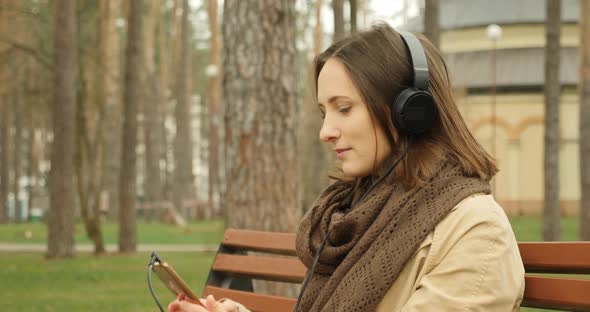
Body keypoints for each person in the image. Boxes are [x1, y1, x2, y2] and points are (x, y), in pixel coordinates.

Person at [168, 23, 525, 312]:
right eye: (325, 112)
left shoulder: (476, 232)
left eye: (344, 108)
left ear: (408, 111)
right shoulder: (355, 215)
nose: (326, 132)